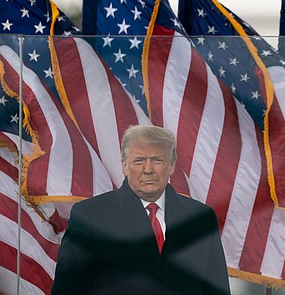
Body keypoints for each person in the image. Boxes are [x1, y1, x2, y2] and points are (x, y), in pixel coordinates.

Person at [52, 125, 231, 295]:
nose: (148, 170)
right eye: (138, 161)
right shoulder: (90, 216)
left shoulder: (201, 218)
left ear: (172, 165)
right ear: (124, 165)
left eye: (157, 160)